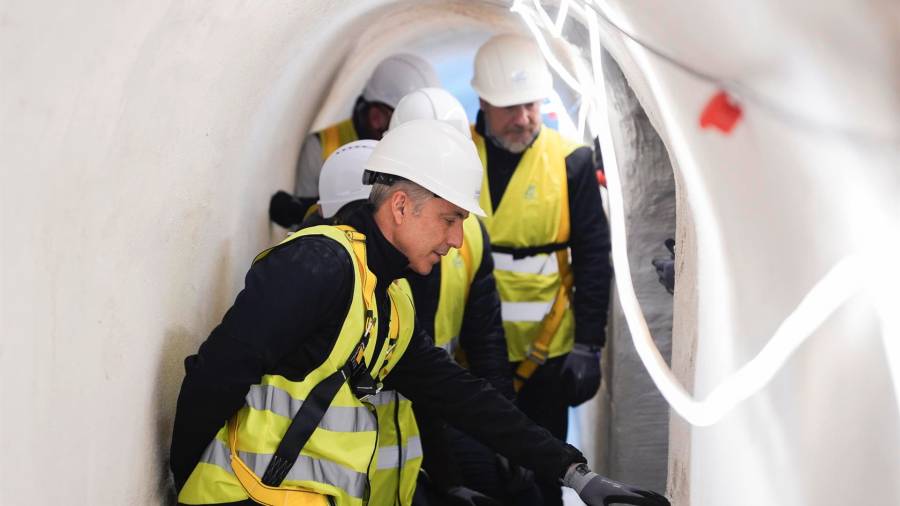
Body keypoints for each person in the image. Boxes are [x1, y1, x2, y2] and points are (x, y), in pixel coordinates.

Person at [170, 119, 667, 506]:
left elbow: (457, 394)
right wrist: (183, 483)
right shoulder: (318, 264)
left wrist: (575, 473)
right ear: (402, 206)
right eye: (450, 220)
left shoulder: (391, 295)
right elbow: (215, 373)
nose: (456, 241)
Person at [316, 89, 536, 505]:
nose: (451, 236)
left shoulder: (466, 235)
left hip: (432, 406)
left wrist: (509, 442)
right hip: (373, 426)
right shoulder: (360, 247)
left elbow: (482, 341)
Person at [469, 33, 613, 505]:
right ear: (483, 101)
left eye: (530, 105)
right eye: (510, 108)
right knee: (479, 473)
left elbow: (593, 258)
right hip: (470, 351)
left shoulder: (570, 163)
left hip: (547, 353)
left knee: (540, 474)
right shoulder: (456, 158)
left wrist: (590, 345)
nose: (523, 118)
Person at [269, 53, 440, 229]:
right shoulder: (320, 148)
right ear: (376, 117)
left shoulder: (408, 158)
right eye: (400, 127)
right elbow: (304, 233)